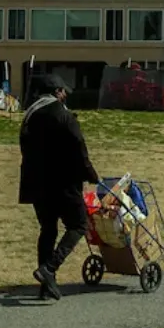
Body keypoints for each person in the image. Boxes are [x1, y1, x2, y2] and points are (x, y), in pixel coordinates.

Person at [18, 73, 100, 301]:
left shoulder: (30, 115)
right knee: (79, 224)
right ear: (56, 92)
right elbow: (79, 148)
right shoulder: (64, 116)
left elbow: (24, 148)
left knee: (48, 230)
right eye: (63, 91)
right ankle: (50, 268)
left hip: (36, 183)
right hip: (63, 183)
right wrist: (91, 174)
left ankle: (46, 286)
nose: (65, 94)